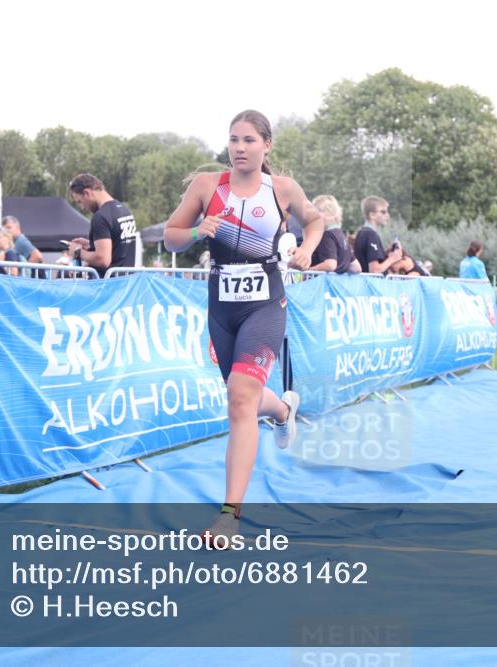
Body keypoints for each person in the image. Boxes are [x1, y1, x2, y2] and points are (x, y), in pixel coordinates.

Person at [164, 110, 323, 545]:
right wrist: (198, 230)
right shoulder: (206, 187)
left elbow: (316, 221)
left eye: (249, 140)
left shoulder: (282, 190)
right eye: (233, 139)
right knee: (245, 400)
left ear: (266, 146)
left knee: (239, 397)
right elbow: (170, 236)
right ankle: (284, 410)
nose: (239, 147)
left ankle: (229, 518)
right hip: (222, 309)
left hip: (265, 305)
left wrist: (307, 249)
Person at [67, 173, 138, 278]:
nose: (82, 207)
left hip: (107, 287)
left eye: (80, 202)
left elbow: (103, 259)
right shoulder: (124, 210)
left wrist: (78, 252)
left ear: (87, 193)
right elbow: (119, 246)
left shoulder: (101, 217)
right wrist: (91, 244)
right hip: (126, 283)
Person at [310, 194, 360, 274]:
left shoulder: (327, 236)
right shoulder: (342, 236)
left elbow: (330, 265)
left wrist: (309, 270)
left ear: (330, 214)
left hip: (325, 284)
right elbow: (356, 268)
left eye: (317, 211)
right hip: (339, 285)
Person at [353, 196, 404, 274]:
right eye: (383, 212)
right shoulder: (371, 234)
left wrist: (387, 254)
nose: (388, 215)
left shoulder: (362, 232)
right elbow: (374, 270)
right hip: (369, 284)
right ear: (372, 215)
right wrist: (392, 259)